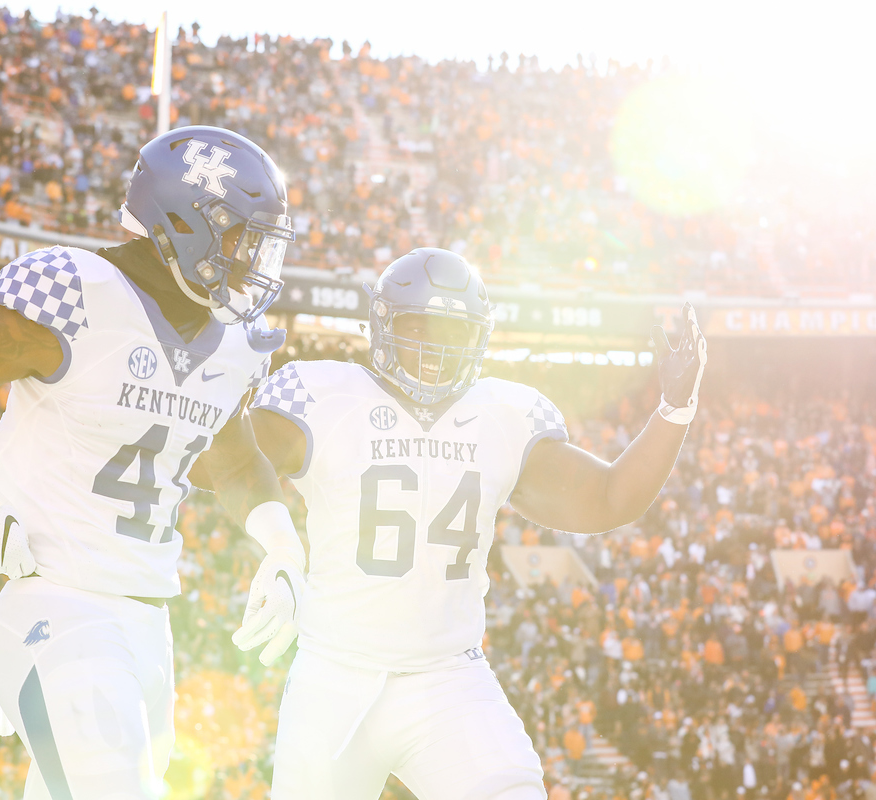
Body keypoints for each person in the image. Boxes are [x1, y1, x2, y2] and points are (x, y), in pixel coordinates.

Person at [0, 126, 307, 799]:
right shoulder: (76, 295)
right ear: (186, 224)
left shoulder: (236, 344)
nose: (253, 261)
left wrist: (282, 547)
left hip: (149, 626)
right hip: (59, 609)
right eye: (242, 239)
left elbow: (238, 463)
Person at [239, 248, 707, 799]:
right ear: (384, 323)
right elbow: (227, 462)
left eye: (453, 331)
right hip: (334, 673)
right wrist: (226, 390)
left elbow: (610, 499)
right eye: (419, 325)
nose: (435, 347)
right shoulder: (322, 395)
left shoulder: (502, 415)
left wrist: (675, 410)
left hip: (448, 677)